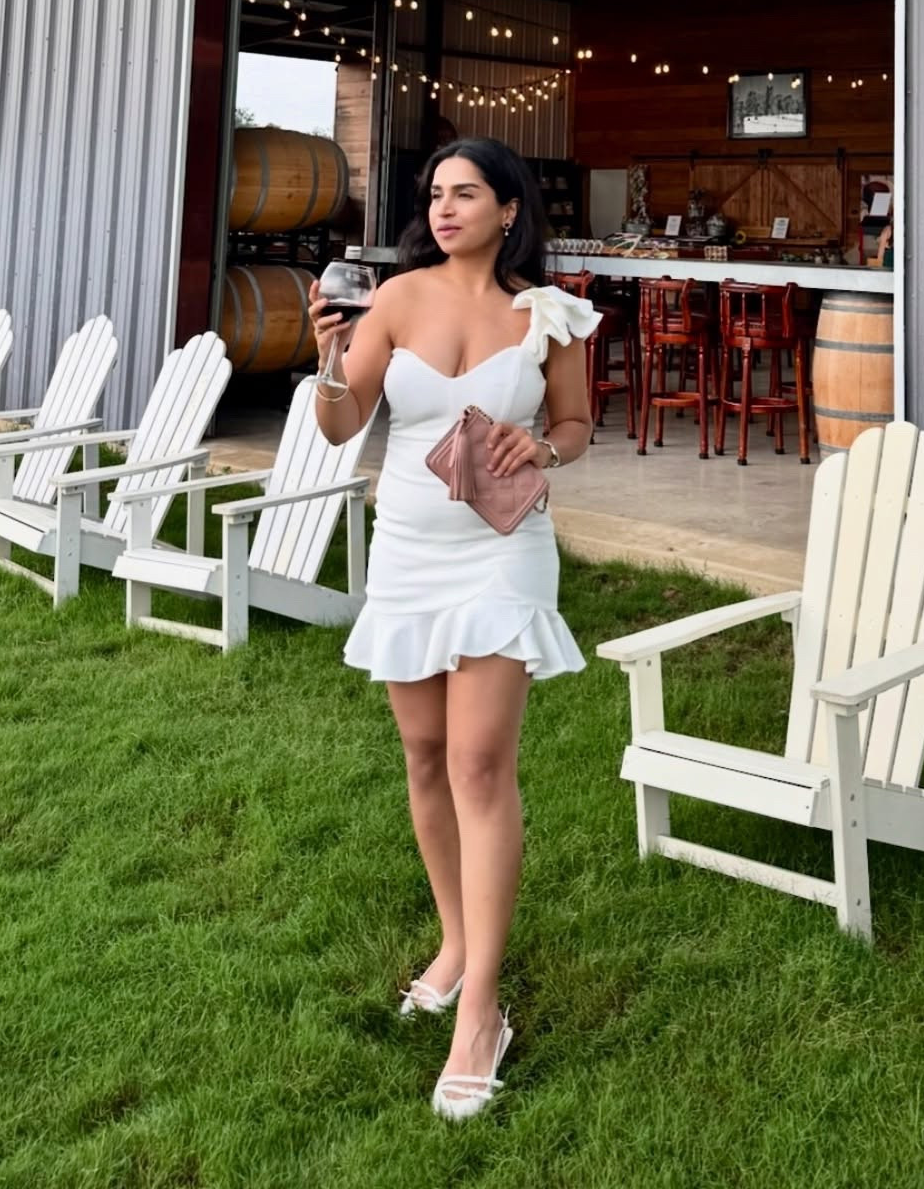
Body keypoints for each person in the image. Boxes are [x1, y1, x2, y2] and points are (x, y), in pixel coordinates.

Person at [309, 138, 597, 1120]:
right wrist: (325, 372)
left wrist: (542, 445)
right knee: (424, 757)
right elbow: (344, 426)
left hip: (503, 552)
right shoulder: (396, 301)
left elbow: (575, 425)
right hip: (408, 550)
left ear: (510, 208)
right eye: (435, 194)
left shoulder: (548, 316)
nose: (443, 208)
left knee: (480, 765)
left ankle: (481, 1013)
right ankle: (456, 938)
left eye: (465, 193)